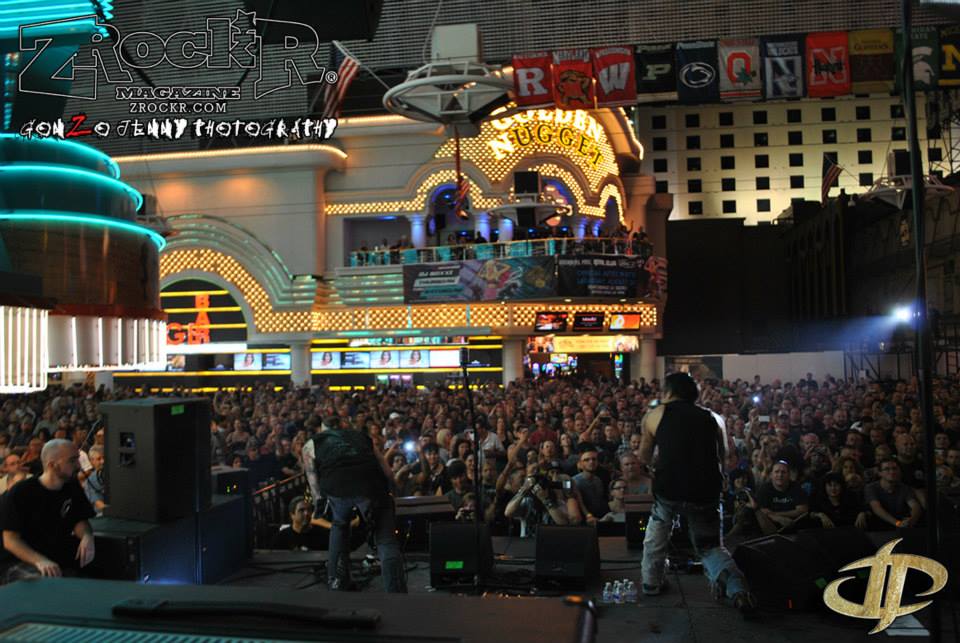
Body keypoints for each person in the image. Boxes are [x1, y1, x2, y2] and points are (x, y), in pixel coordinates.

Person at [638, 372, 757, 617]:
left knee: (657, 532)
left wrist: (655, 469)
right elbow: (723, 455)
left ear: (668, 392)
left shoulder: (655, 415)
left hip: (669, 487)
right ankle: (738, 590)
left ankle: (651, 583)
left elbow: (644, 456)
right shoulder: (714, 418)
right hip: (705, 489)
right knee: (710, 547)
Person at [310, 421, 406, 592]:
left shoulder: (312, 443)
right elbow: (385, 468)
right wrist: (393, 491)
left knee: (340, 526)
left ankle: (338, 582)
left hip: (337, 486)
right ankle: (396, 590)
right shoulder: (360, 437)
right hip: (371, 485)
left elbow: (312, 477)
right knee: (386, 540)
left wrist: (319, 503)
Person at [0, 439, 95, 583]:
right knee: (48, 583)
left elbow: (79, 520)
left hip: (54, 558)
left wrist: (87, 536)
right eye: (72, 461)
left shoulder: (71, 486)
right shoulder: (21, 493)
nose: (78, 465)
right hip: (17, 562)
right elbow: (10, 540)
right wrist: (40, 561)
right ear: (52, 465)